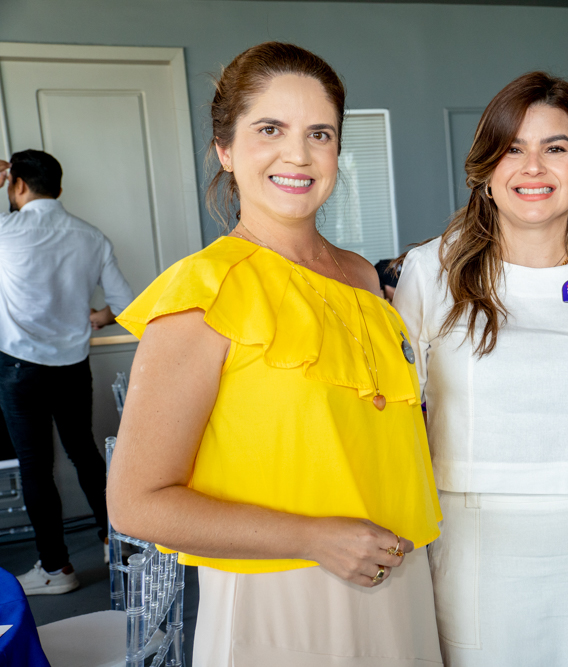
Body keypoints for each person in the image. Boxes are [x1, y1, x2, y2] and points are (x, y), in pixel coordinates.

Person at [106, 42, 443, 666]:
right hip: (281, 593)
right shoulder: (206, 290)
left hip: (401, 584)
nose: (298, 154)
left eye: (320, 133)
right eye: (270, 129)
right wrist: (314, 537)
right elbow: (136, 502)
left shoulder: (365, 281)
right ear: (226, 149)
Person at [394, 71, 568, 667]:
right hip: (471, 543)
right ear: (485, 171)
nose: (533, 167)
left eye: (555, 148)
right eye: (512, 148)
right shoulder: (433, 270)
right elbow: (394, 413)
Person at [0, 149, 134, 595]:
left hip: (20, 369)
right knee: (85, 454)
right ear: (58, 187)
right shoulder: (90, 236)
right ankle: (114, 544)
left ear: (17, 184)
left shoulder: (5, 232)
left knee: (36, 467)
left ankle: (58, 571)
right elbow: (128, 305)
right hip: (73, 367)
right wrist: (97, 316)